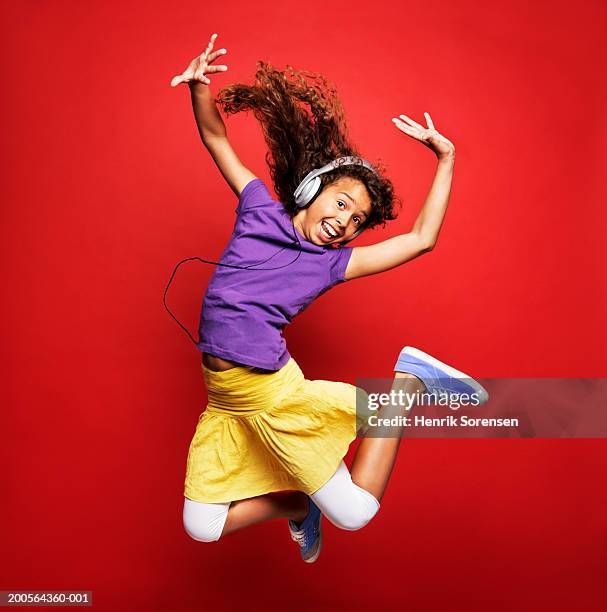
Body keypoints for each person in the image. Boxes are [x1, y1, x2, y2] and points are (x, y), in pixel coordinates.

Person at [170, 33, 488, 563]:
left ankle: (406, 383)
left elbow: (421, 240)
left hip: (275, 397)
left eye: (356, 220)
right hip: (225, 402)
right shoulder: (258, 210)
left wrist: (446, 159)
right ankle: (298, 506)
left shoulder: (333, 263)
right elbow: (216, 139)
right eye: (340, 203)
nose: (342, 221)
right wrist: (199, 88)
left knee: (357, 513)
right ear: (310, 191)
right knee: (202, 525)